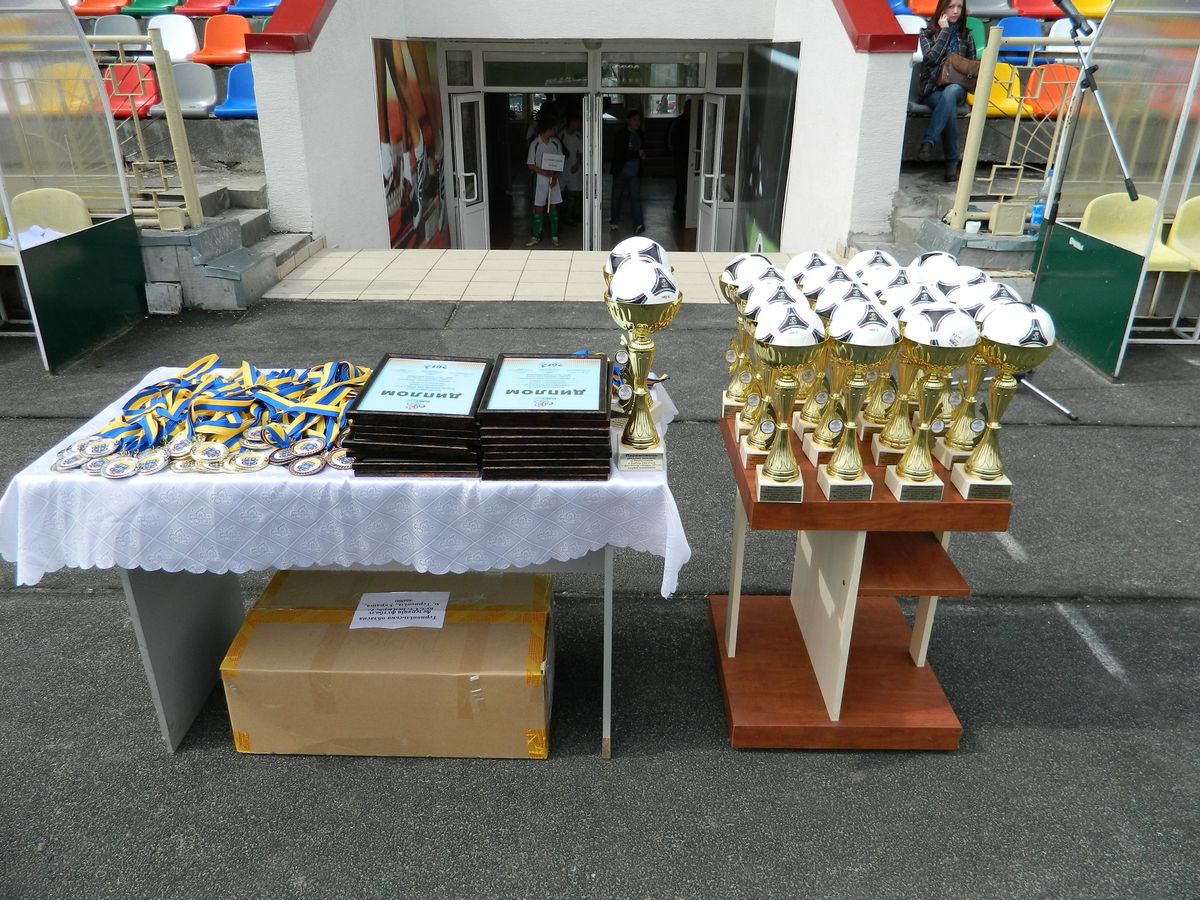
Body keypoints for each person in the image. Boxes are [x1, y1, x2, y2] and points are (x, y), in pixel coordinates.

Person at [917, 0, 977, 183]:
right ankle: (952, 163)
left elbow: (972, 67)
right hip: (932, 89)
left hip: (958, 88)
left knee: (951, 92)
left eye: (959, 7)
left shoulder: (966, 36)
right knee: (947, 106)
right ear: (942, 9)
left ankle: (929, 141)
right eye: (951, 7)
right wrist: (944, 31)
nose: (956, 11)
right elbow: (931, 59)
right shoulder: (926, 34)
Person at [525, 117, 564, 247]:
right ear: (549, 128)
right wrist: (545, 173)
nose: (556, 130)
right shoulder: (535, 144)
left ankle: (554, 236)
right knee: (538, 208)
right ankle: (535, 236)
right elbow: (530, 164)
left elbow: (559, 162)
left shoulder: (556, 143)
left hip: (553, 179)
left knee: (553, 207)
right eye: (555, 128)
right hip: (540, 179)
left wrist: (555, 177)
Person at [610, 110, 646, 234]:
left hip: (634, 172)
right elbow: (620, 154)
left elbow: (642, 150)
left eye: (639, 120)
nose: (637, 123)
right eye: (635, 120)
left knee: (635, 199)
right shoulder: (621, 134)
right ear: (628, 121)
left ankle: (639, 224)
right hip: (621, 171)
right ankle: (614, 221)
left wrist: (642, 155)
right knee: (616, 198)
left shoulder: (640, 134)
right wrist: (637, 154)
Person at [560, 112, 584, 225]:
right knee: (560, 192)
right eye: (576, 122)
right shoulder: (561, 135)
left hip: (574, 168)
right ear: (570, 122)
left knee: (573, 192)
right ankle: (561, 216)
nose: (578, 124)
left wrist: (577, 164)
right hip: (562, 169)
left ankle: (570, 216)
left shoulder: (578, 136)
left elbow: (580, 153)